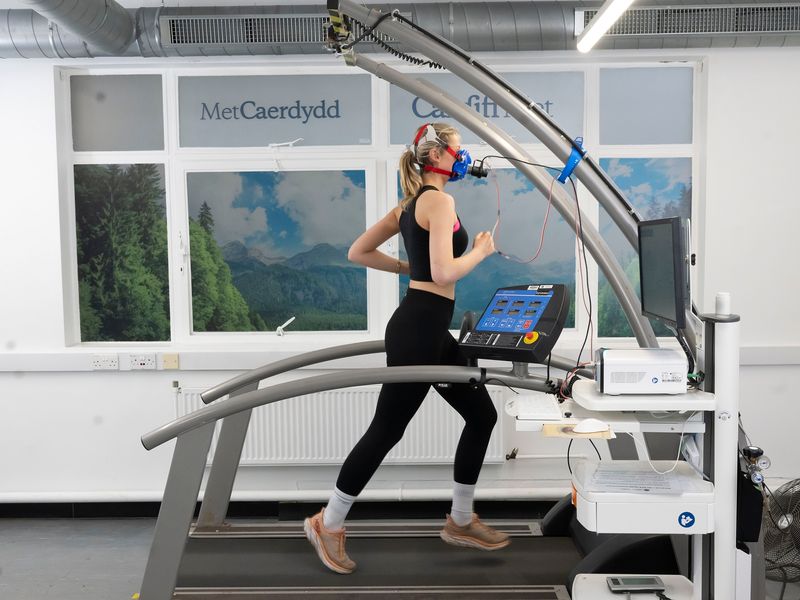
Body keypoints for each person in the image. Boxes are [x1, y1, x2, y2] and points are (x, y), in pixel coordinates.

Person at [304, 122, 507, 575]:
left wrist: (405, 264)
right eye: (459, 150)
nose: (465, 157)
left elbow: (358, 251)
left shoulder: (410, 205)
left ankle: (459, 520)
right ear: (439, 156)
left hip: (431, 328)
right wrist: (481, 251)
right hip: (419, 328)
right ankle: (327, 523)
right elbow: (442, 274)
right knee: (387, 429)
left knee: (482, 415)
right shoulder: (438, 200)